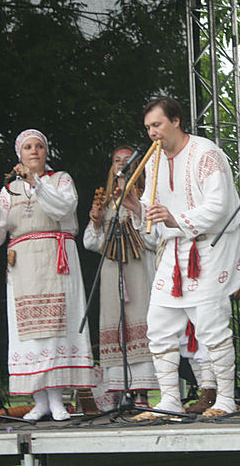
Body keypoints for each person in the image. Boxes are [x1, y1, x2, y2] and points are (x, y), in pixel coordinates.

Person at [124, 97, 240, 419]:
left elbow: (219, 205)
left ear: (176, 121)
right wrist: (139, 210)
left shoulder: (206, 153)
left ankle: (226, 400)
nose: (152, 133)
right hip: (175, 249)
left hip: (210, 246)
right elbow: (155, 224)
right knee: (159, 325)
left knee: (211, 325)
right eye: (148, 127)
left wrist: (175, 218)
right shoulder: (152, 162)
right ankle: (168, 401)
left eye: (158, 125)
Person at [0, 129, 94, 421]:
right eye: (28, 147)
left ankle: (57, 401)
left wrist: (36, 183)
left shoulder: (61, 180)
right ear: (19, 154)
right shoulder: (9, 190)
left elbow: (63, 207)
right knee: (29, 333)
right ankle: (40, 401)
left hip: (56, 261)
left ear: (46, 152)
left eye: (39, 146)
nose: (34, 151)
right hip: (24, 266)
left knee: (57, 328)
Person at [83, 145, 158, 405]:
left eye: (128, 161)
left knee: (141, 320)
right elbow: (91, 244)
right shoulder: (106, 202)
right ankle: (121, 389)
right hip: (112, 271)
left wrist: (136, 213)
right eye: (117, 161)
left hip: (140, 270)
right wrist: (95, 222)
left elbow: (155, 239)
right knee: (115, 324)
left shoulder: (147, 199)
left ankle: (142, 392)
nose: (122, 165)